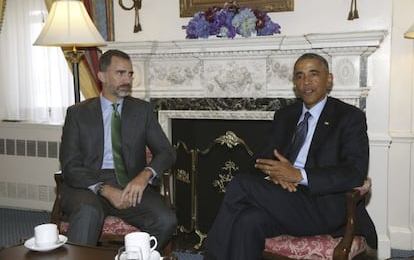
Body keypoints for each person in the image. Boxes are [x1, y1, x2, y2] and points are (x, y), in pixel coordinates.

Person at [203, 53, 377, 260]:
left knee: (240, 184)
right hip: (284, 200)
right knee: (248, 220)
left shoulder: (349, 117)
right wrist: (273, 174)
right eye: (299, 76)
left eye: (314, 74)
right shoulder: (285, 115)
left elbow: (354, 173)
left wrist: (298, 175)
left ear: (328, 79)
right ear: (294, 82)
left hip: (323, 208)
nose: (306, 82)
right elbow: (259, 161)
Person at [59, 49, 177, 251]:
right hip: (88, 185)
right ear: (102, 76)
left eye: (130, 74)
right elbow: (70, 165)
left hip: (129, 184)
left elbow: (167, 152)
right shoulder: (78, 113)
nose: (127, 79)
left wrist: (144, 176)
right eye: (120, 73)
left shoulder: (142, 111)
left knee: (166, 220)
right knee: (88, 212)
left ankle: (130, 256)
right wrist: (104, 189)